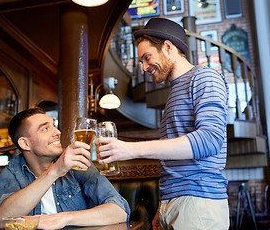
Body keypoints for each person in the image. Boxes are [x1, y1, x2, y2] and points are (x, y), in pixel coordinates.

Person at [96, 18, 229, 230]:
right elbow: (175, 159)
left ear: (168, 47)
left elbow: (210, 140)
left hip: (198, 202)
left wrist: (130, 149)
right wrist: (164, 205)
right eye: (141, 61)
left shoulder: (205, 77)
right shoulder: (174, 91)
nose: (144, 67)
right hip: (176, 203)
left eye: (147, 58)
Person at [0, 108, 130, 229]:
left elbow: (120, 211)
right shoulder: (13, 171)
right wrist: (54, 171)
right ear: (25, 143)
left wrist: (63, 218)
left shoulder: (77, 161)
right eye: (45, 128)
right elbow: (3, 220)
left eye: (54, 125)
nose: (57, 132)